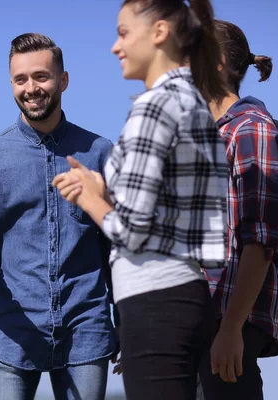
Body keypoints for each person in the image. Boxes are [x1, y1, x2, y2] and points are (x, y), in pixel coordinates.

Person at [53, 1, 229, 399]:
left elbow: (131, 231)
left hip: (154, 300)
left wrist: (91, 197)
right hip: (187, 293)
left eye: (123, 32)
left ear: (160, 32)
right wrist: (107, 188)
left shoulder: (152, 107)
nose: (116, 47)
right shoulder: (193, 100)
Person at [0, 33, 117, 400]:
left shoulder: (101, 152)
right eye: (20, 79)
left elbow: (117, 246)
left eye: (41, 77)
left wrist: (126, 322)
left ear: (63, 81)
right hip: (11, 335)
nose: (31, 88)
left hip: (86, 331)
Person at [197, 19, 278, 400]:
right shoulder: (213, 134)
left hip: (227, 321)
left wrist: (232, 329)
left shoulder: (248, 130)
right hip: (205, 323)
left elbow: (261, 242)